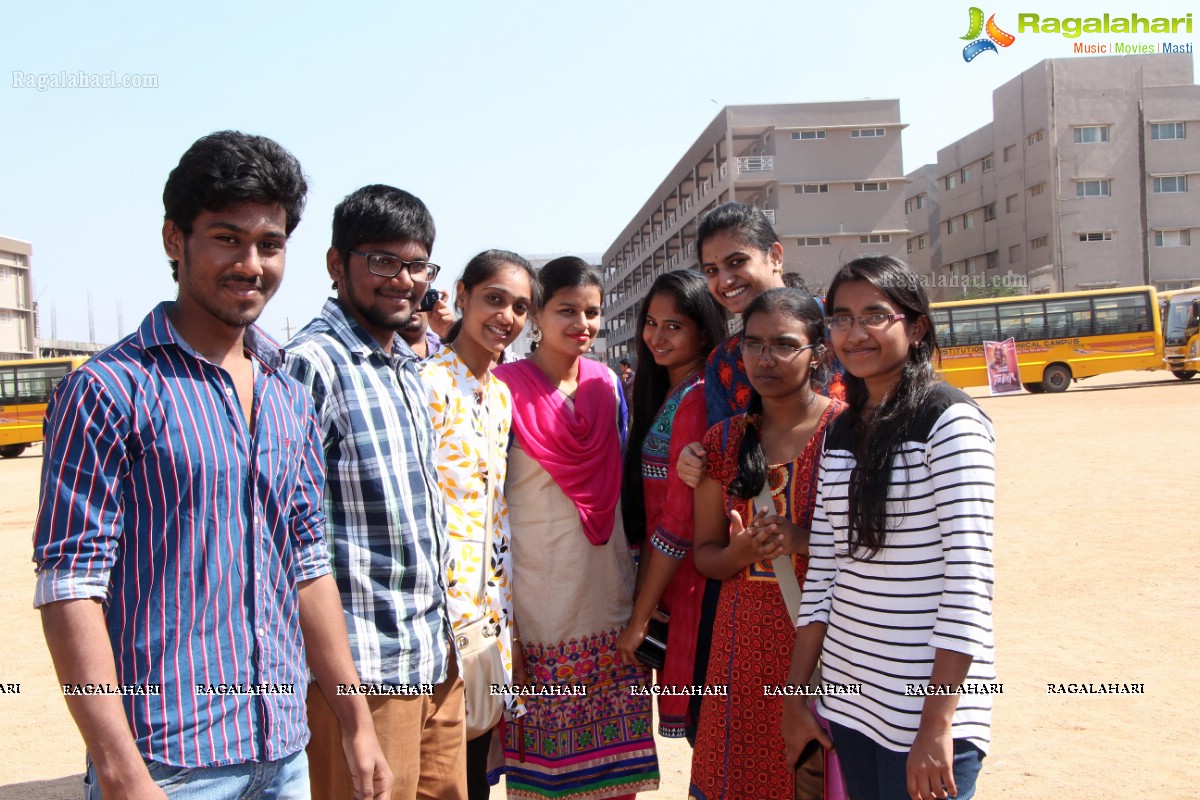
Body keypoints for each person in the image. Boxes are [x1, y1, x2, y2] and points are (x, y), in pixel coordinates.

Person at [32, 131, 391, 799]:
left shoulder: (286, 396)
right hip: (168, 764)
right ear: (175, 239)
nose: (251, 264)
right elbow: (70, 587)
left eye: (270, 244)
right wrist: (117, 766)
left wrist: (354, 718)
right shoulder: (109, 391)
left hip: (282, 753)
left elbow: (310, 570)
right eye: (227, 238)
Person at [782, 256, 996, 800]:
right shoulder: (840, 433)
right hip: (851, 705)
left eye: (875, 315)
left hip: (924, 714)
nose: (855, 333)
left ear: (916, 326)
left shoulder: (950, 422)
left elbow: (968, 584)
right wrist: (795, 699)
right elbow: (826, 575)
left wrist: (937, 726)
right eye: (841, 318)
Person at [283, 185, 464, 800]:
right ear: (337, 264)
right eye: (383, 261)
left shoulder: (405, 367)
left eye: (417, 265)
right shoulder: (312, 365)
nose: (404, 280)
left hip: (433, 660)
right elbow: (289, 543)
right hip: (362, 673)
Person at [493, 257, 659, 799]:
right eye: (566, 310)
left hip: (609, 594)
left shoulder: (608, 383)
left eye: (592, 312)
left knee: (618, 780)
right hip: (541, 603)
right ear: (537, 313)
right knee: (549, 778)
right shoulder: (500, 389)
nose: (582, 324)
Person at [688, 288, 844, 799]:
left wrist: (801, 540)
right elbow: (706, 557)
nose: (765, 358)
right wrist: (740, 554)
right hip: (740, 655)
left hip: (830, 648)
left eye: (783, 344)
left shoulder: (846, 432)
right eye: (753, 345)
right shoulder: (724, 442)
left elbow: (883, 550)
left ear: (818, 352)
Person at [420, 249, 537, 798]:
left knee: (473, 772)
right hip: (436, 618)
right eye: (494, 299)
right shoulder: (425, 384)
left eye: (519, 307)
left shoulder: (501, 394)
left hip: (488, 613)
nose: (506, 317)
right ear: (461, 295)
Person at [614, 270, 724, 743]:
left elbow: (679, 524)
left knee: (713, 731)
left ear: (703, 330)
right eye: (651, 322)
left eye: (673, 326)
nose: (657, 336)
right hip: (673, 585)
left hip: (690, 585)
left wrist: (639, 618)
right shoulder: (669, 391)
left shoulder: (696, 398)